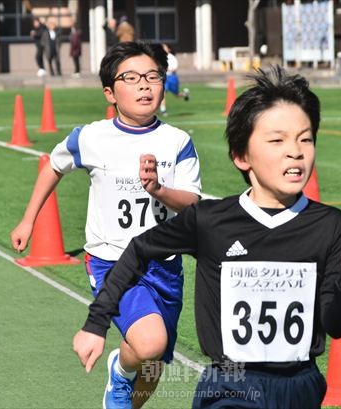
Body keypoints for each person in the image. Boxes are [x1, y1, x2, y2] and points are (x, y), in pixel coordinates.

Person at [73, 66, 341, 409]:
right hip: (230, 384)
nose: (296, 151)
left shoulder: (330, 226)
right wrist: (96, 323)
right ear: (241, 156)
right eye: (277, 140)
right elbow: (139, 249)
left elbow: (337, 324)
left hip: (301, 386)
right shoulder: (211, 221)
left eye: (305, 138)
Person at [11, 41, 201, 409]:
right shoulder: (91, 137)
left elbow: (192, 202)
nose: (145, 85)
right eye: (131, 78)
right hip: (112, 262)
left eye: (152, 76)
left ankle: (121, 388)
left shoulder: (178, 142)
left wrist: (159, 189)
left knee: (154, 367)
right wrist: (28, 219)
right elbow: (53, 165)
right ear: (110, 93)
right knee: (150, 343)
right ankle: (119, 371)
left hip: (164, 265)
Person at [159, 43, 190, 116]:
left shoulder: (172, 58)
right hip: (165, 77)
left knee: (177, 94)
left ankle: (185, 94)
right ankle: (163, 110)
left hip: (172, 78)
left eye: (165, 48)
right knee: (162, 93)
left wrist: (166, 69)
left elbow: (175, 68)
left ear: (169, 49)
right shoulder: (160, 58)